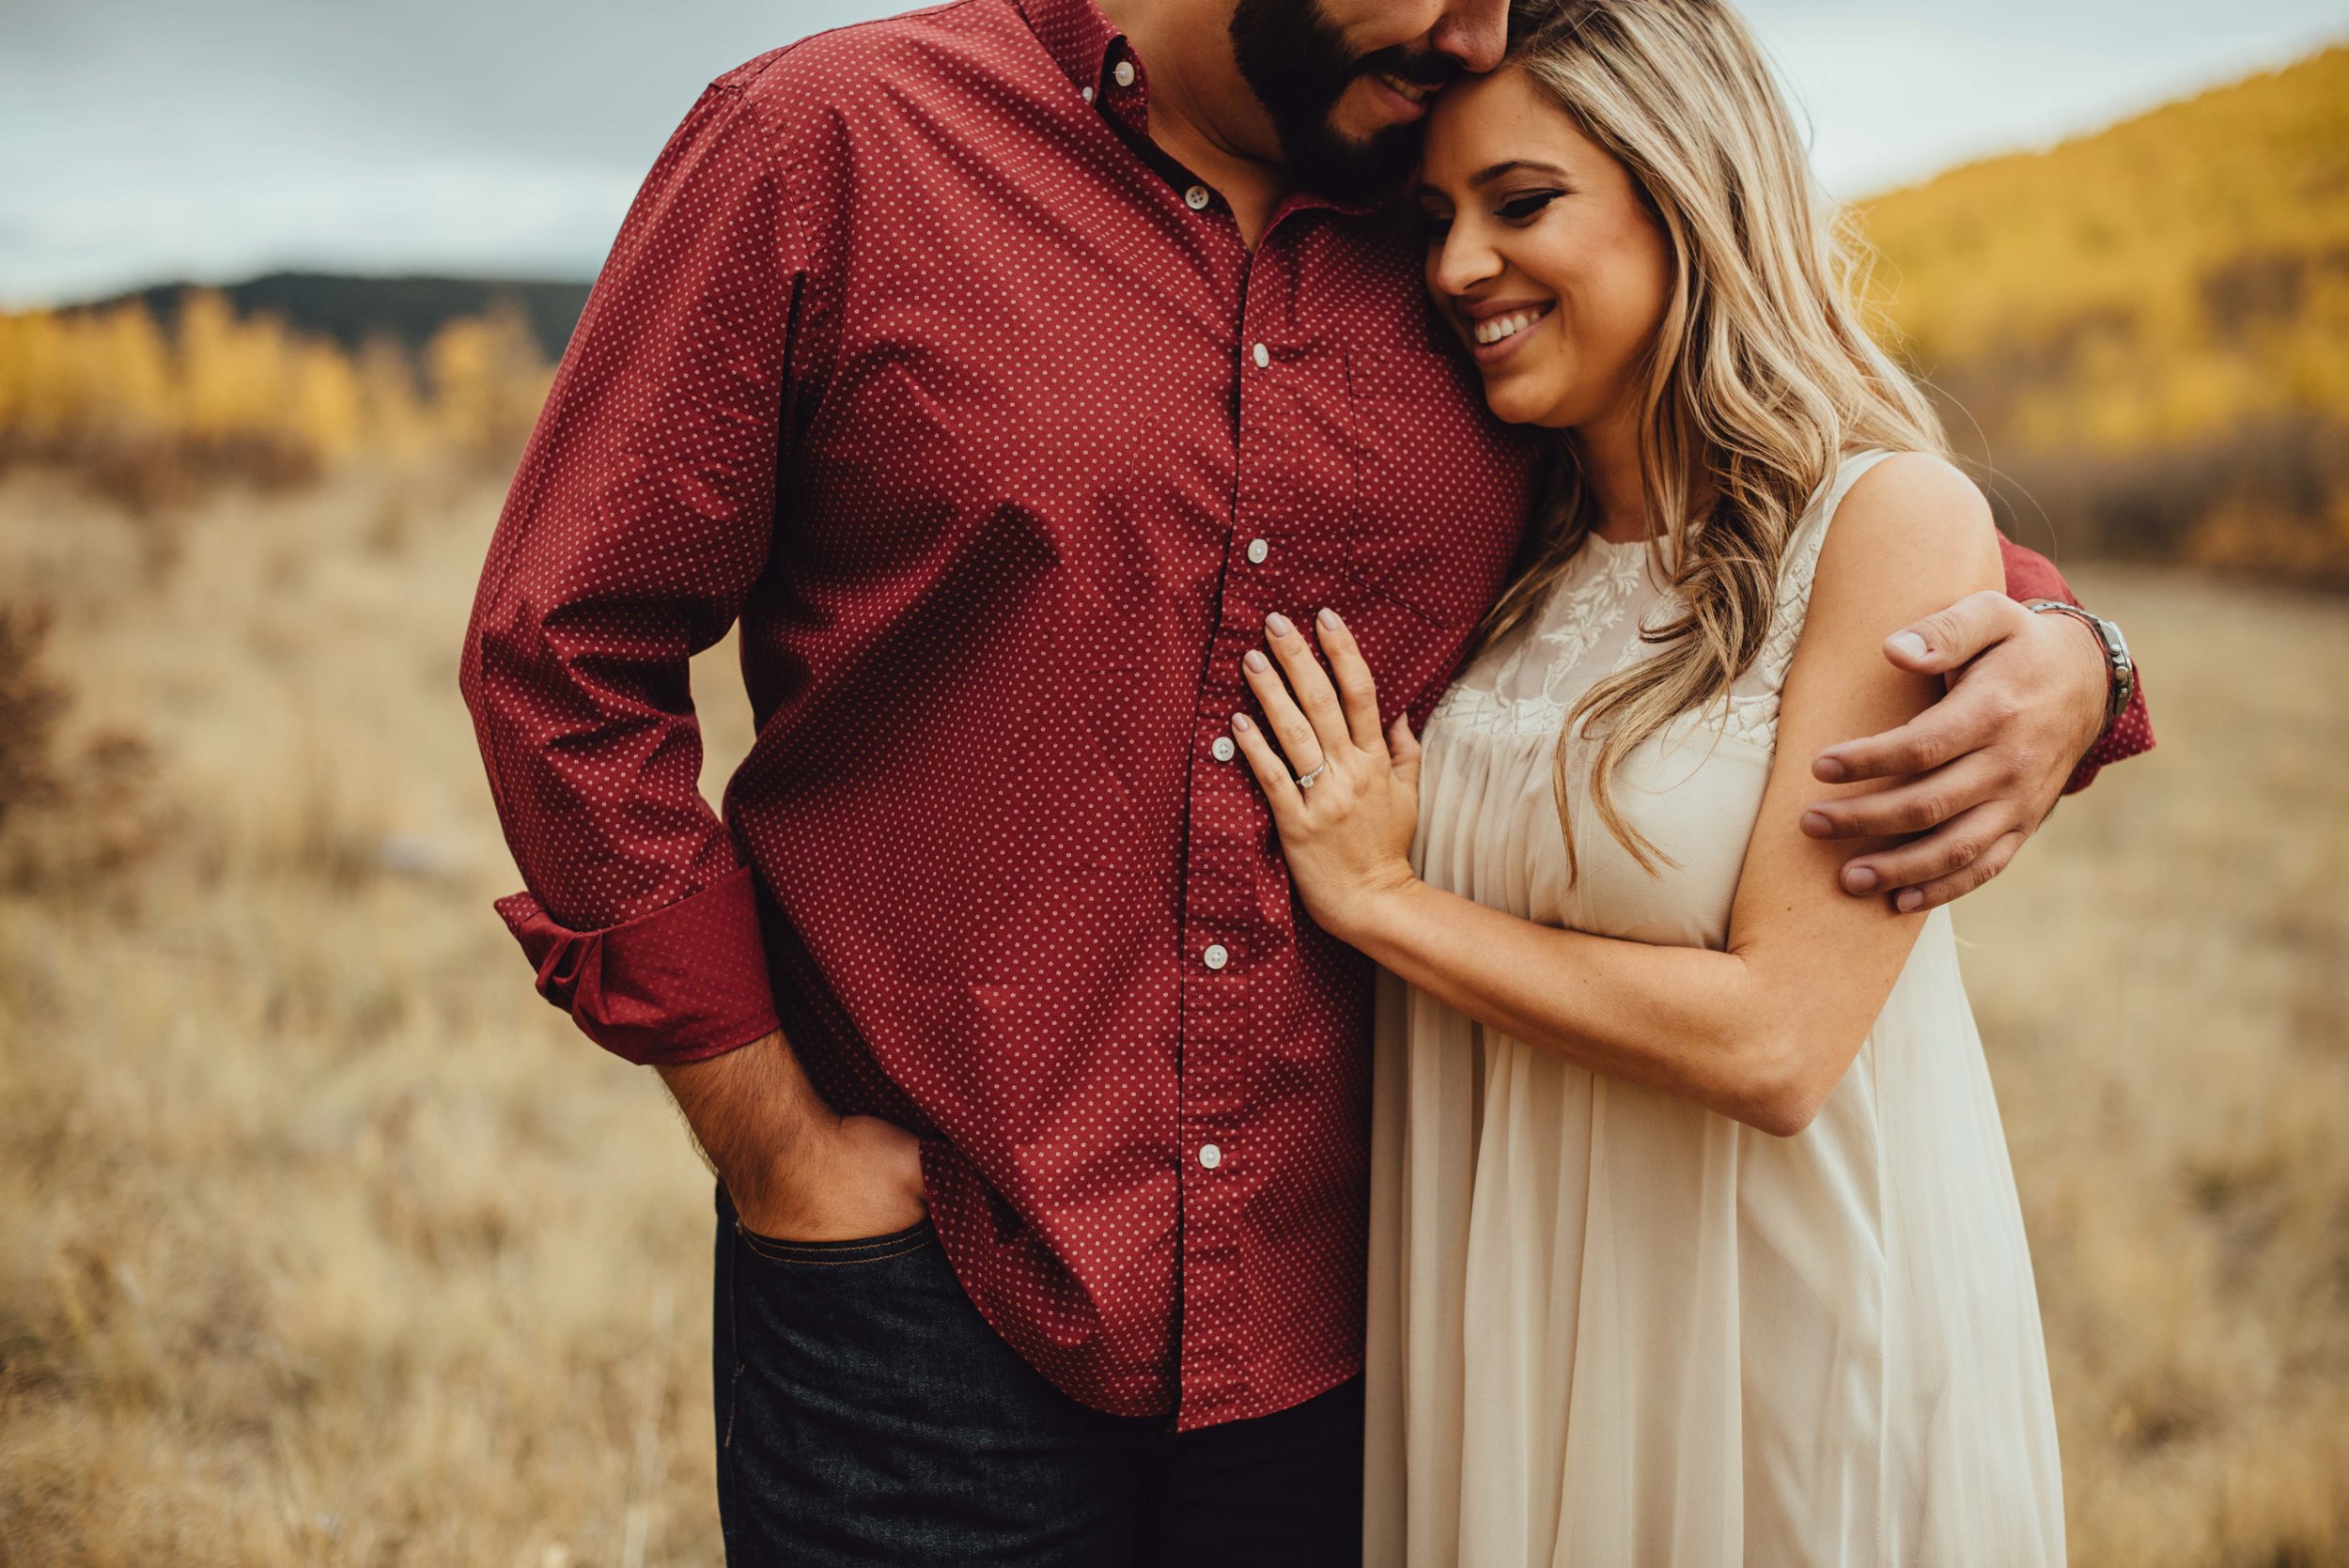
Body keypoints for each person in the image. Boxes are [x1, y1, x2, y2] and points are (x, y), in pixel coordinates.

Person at [457, 0, 2150, 1560]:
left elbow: (1763, 514)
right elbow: (562, 645)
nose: (1480, 26)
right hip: (922, 1300)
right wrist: (775, 1149)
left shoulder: (1436, 207)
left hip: (1365, 1333)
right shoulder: (827, 146)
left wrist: (2074, 653)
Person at [1219, 0, 2119, 1560]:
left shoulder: (1888, 517)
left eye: (1522, 204)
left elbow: (1779, 1040)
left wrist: (1381, 899)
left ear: (1688, 189)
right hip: (1519, 1332)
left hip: (1761, 1341)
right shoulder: (1515, 542)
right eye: (1437, 220)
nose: (1454, 271)